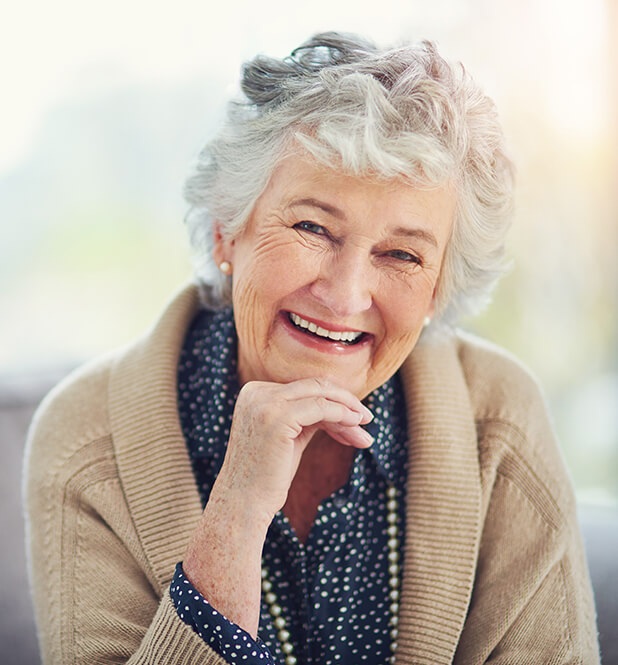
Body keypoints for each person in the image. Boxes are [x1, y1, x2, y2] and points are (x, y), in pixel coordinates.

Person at [24, 31, 600, 664]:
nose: (346, 294)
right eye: (312, 227)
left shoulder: (501, 419)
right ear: (227, 232)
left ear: (439, 289)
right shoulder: (87, 437)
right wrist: (235, 515)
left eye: (402, 253)